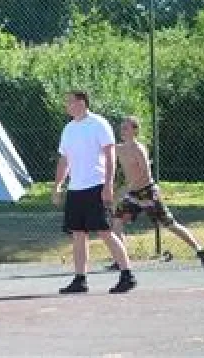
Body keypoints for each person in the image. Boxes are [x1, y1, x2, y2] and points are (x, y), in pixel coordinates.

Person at [52, 90, 136, 294]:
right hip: (75, 190)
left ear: (82, 103)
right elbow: (64, 159)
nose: (67, 105)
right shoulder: (68, 129)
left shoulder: (99, 124)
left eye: (70, 101)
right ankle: (80, 280)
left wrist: (108, 185)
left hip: (96, 186)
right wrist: (58, 185)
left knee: (104, 231)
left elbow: (110, 155)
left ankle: (127, 275)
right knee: (78, 234)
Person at [106, 115, 204, 269]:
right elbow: (103, 152)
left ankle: (201, 251)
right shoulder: (119, 149)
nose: (122, 130)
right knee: (116, 222)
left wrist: (126, 188)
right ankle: (121, 261)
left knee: (170, 224)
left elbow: (145, 172)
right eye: (121, 128)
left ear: (135, 130)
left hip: (148, 193)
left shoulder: (139, 149)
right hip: (133, 195)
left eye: (126, 128)